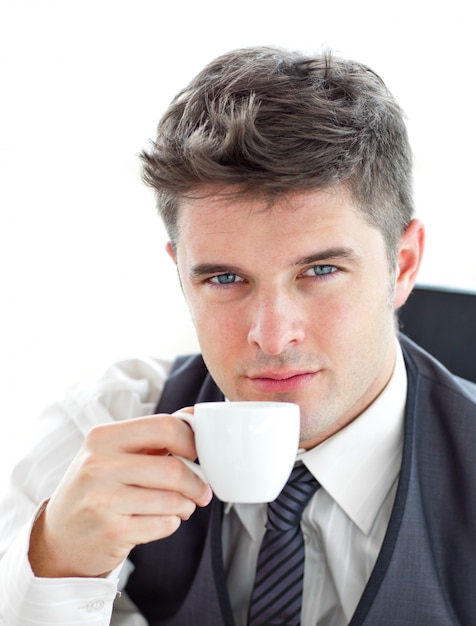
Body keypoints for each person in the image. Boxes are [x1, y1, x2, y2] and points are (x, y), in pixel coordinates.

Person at [0, 45, 475, 626]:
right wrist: (57, 565)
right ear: (180, 273)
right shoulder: (99, 425)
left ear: (402, 263)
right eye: (225, 278)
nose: (272, 335)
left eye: (320, 271)